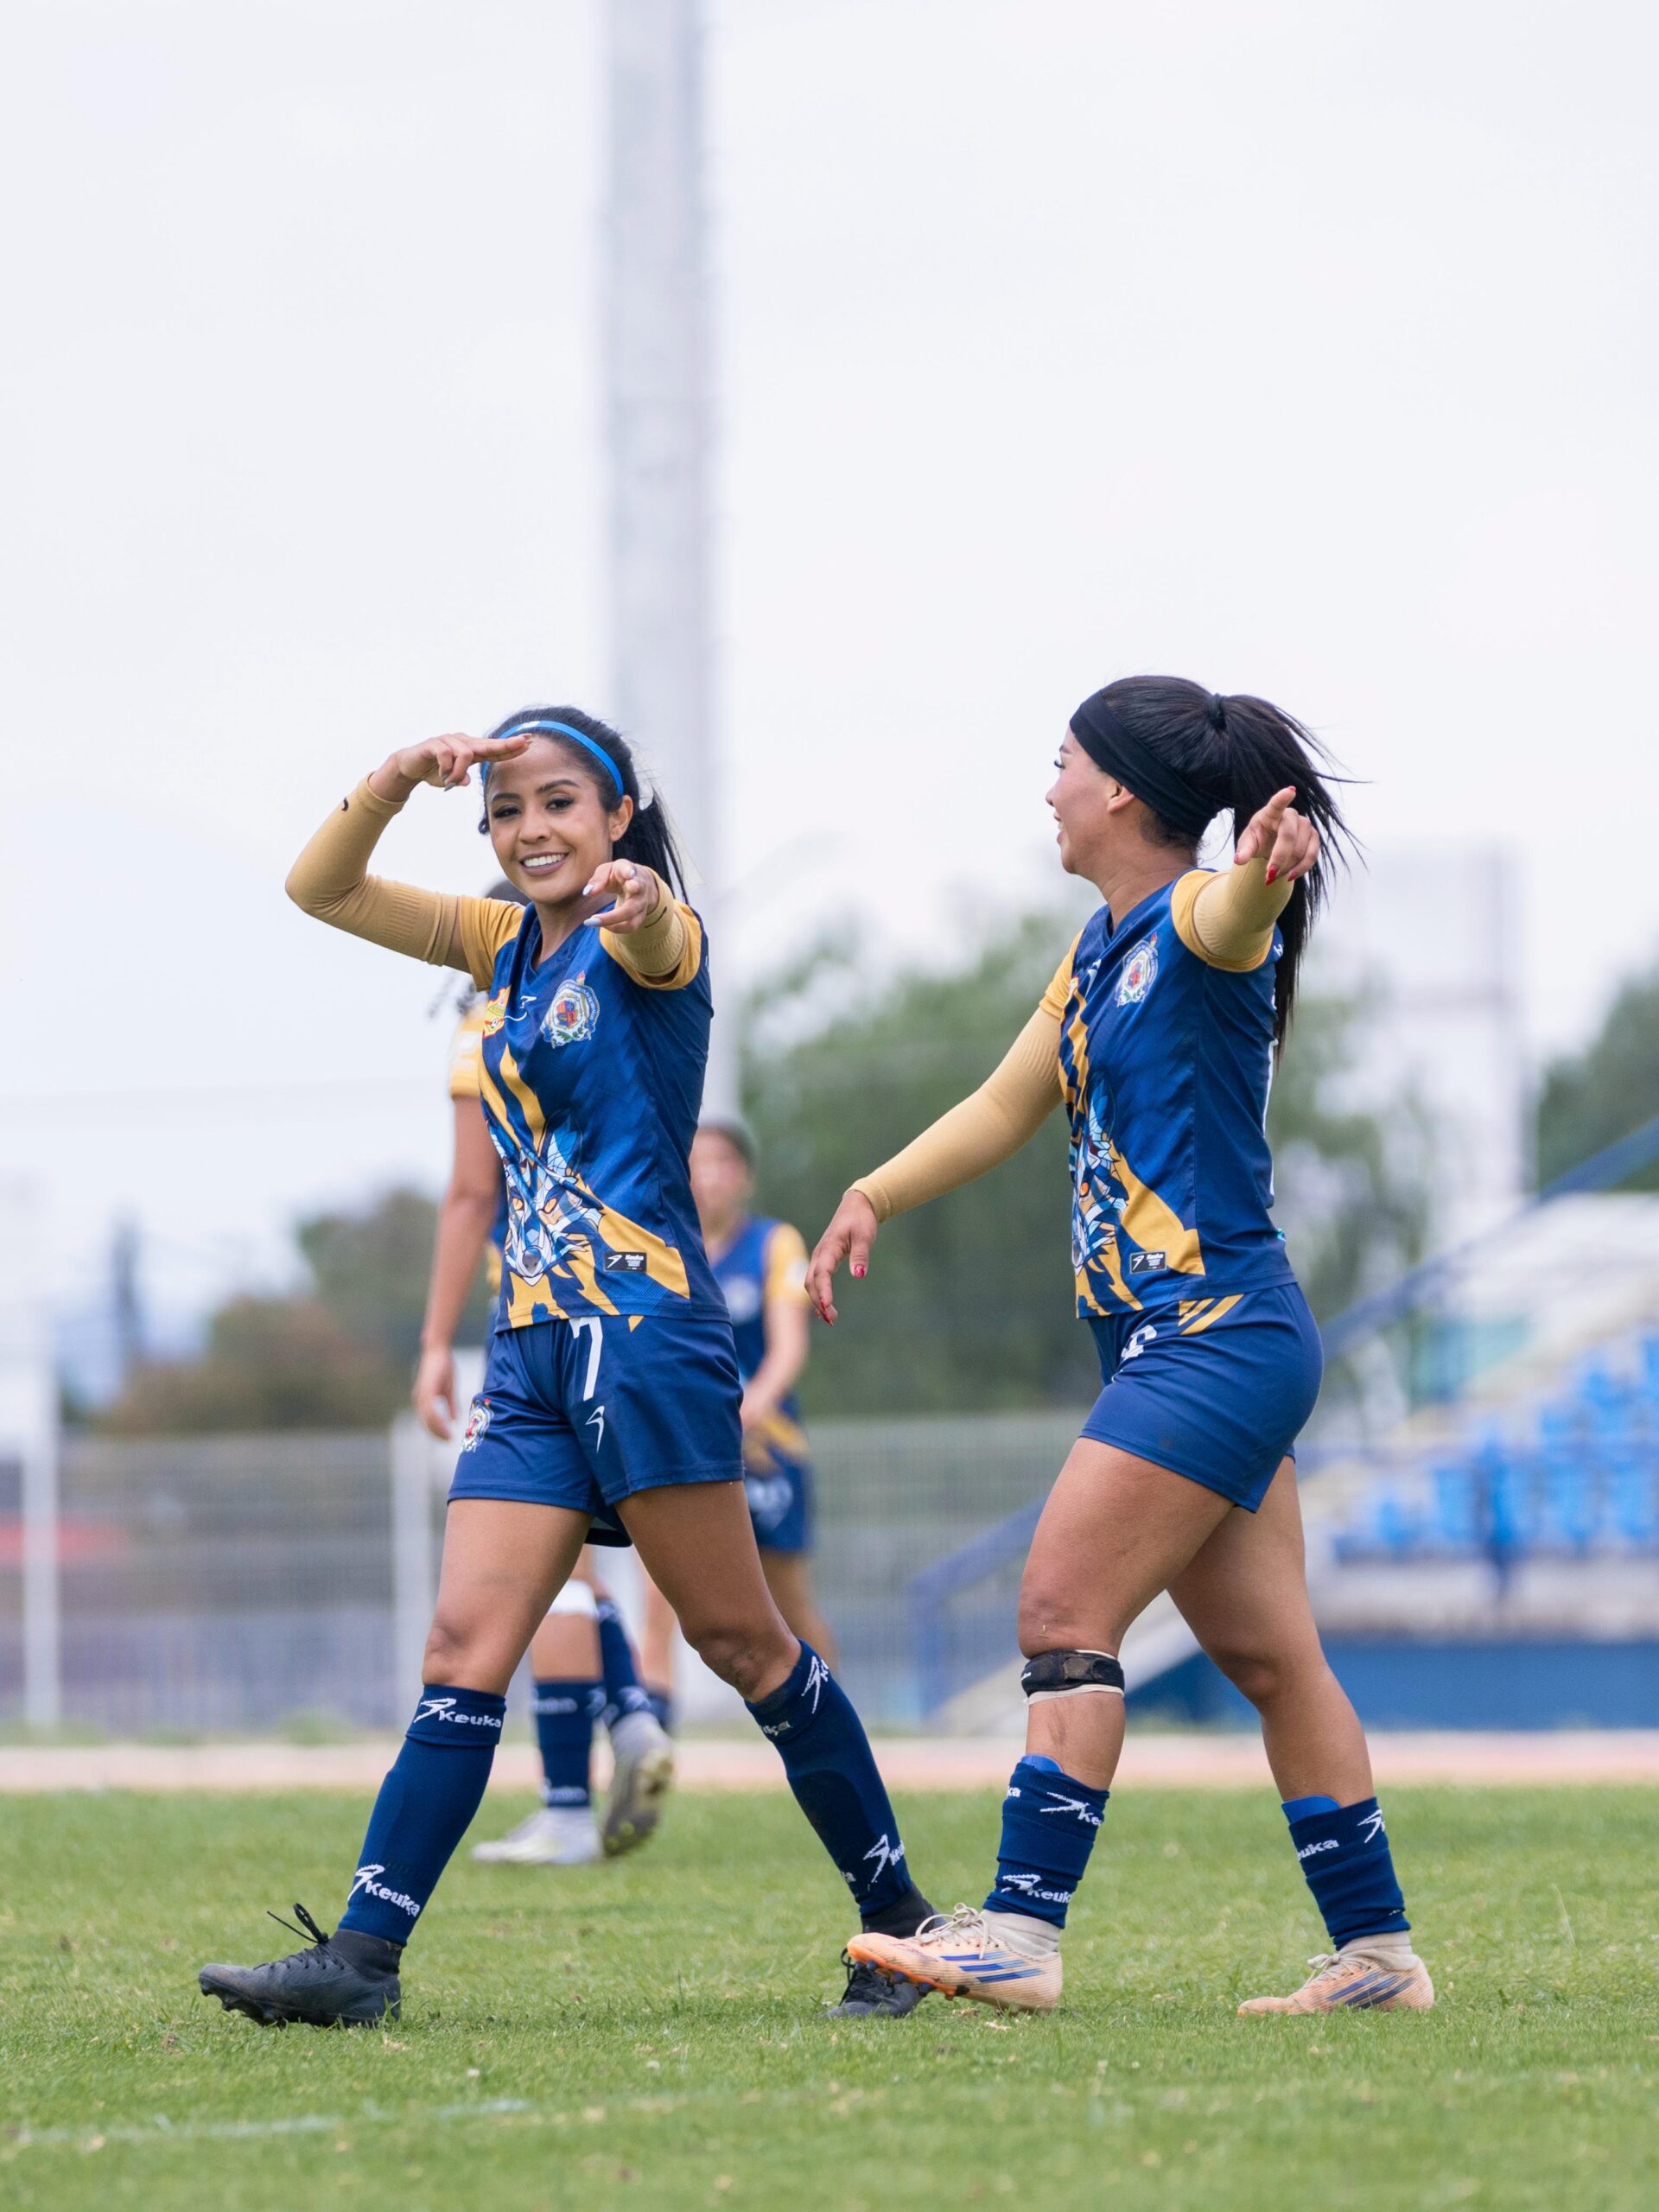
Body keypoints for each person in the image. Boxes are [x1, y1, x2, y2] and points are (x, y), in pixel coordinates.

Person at [198, 707, 933, 2026]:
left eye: (559, 805)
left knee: (740, 1643)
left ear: (616, 817)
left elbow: (663, 935)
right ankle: (361, 1962)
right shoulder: (499, 947)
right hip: (531, 1354)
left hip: (647, 1345)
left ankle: (900, 1925)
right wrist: (395, 781)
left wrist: (643, 898)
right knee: (462, 1642)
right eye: (507, 811)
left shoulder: (658, 939)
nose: (530, 829)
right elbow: (323, 888)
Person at [813, 677, 1433, 2018]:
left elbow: (1234, 910)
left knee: (1058, 1615)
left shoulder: (1202, 926)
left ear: (1122, 795)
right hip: (1201, 1341)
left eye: (1061, 765)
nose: (1046, 789)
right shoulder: (1093, 952)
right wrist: (873, 1189)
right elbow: (1000, 1104)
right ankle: (1380, 1962)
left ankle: (1022, 1936)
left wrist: (1263, 876)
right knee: (1274, 1662)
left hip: (1211, 1337)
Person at [415, 941, 674, 1866]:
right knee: (605, 1575)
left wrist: (434, 1342)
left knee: (541, 1577)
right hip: (643, 1312)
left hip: (533, 1322)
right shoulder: (624, 994)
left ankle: (568, 1799)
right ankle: (632, 1709)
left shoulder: (491, 1020)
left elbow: (469, 1192)